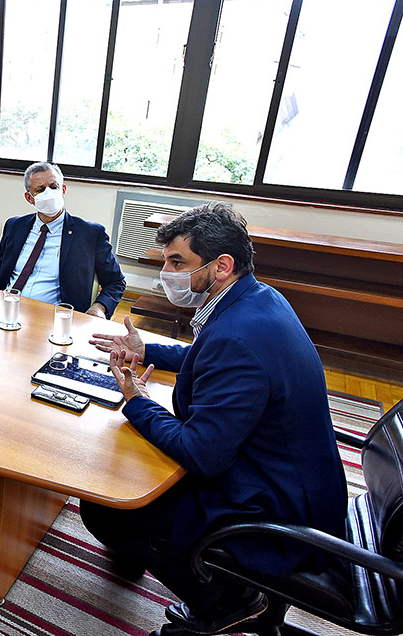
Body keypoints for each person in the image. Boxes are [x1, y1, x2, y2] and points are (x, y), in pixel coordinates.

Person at [86, 203, 346, 635]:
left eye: (177, 262)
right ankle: (159, 560)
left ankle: (228, 601)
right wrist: (148, 350)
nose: (166, 273)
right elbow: (210, 356)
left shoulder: (237, 338)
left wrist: (136, 400)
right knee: (127, 479)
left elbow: (199, 453)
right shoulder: (257, 300)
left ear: (221, 265)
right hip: (295, 476)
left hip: (274, 507)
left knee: (107, 502)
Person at [0, 162, 125, 318]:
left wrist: (99, 307)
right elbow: (0, 274)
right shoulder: (15, 226)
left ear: (63, 190)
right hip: (5, 308)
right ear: (29, 198)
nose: (48, 193)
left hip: (53, 317)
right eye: (40, 190)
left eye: (54, 187)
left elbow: (116, 282)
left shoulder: (90, 234)